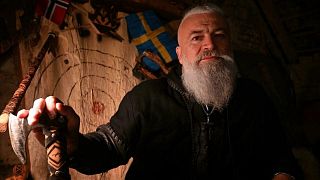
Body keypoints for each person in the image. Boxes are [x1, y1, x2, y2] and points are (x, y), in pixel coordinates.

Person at [18, 3, 302, 180]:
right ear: (179, 54)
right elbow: (107, 148)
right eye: (197, 38)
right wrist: (73, 143)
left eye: (219, 35)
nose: (209, 45)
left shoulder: (254, 98)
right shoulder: (148, 98)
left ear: (229, 46)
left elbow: (281, 159)